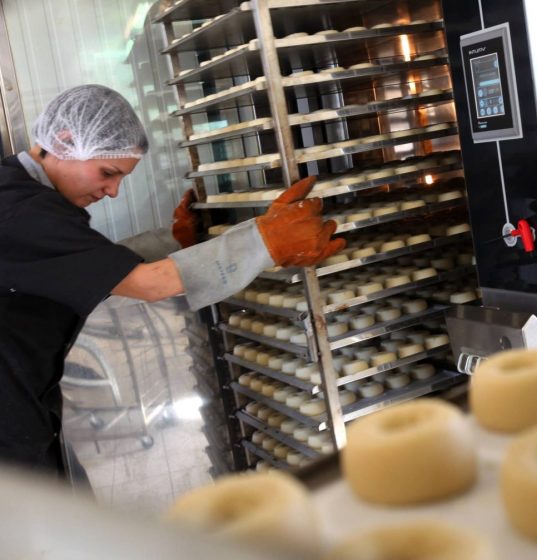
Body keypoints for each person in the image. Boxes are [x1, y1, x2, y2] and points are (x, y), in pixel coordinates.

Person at [0, 84, 344, 477]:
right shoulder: (19, 209)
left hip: (22, 406)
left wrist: (174, 243)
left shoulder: (24, 198)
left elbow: (77, 263)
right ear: (64, 141)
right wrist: (263, 243)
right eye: (108, 173)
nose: (113, 192)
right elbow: (148, 285)